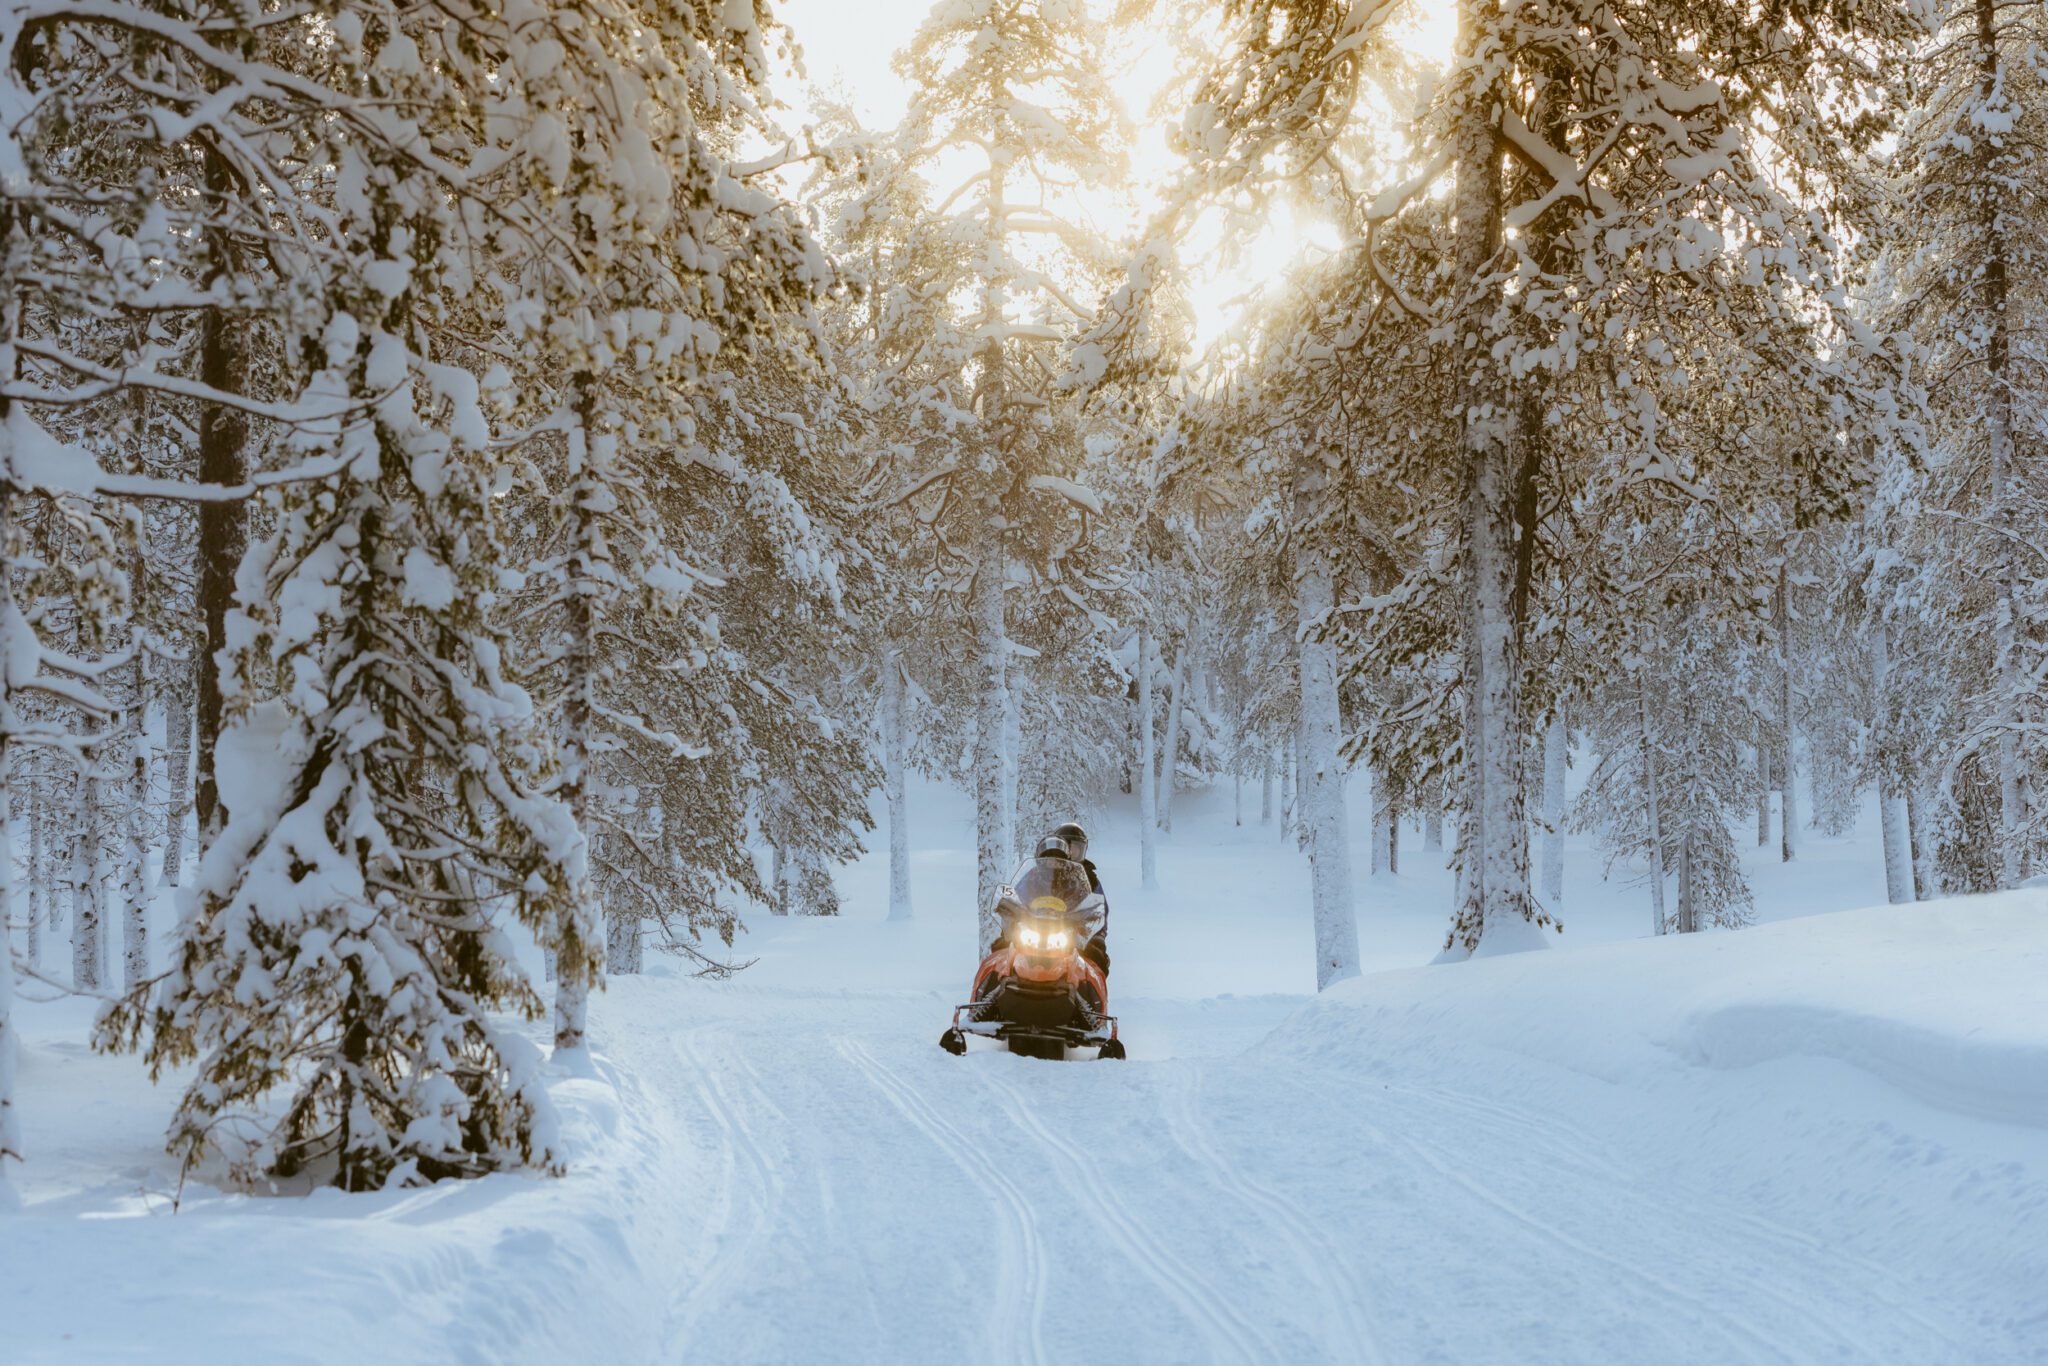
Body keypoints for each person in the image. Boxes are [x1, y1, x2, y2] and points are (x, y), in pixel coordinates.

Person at [1050, 821, 1110, 976]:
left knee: (1097, 958)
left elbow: (1100, 909)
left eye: (1075, 848)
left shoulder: (1089, 877)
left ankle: (1094, 998)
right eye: (1066, 847)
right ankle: (988, 994)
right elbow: (1020, 895)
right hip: (1037, 929)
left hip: (1075, 935)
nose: (1070, 852)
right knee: (1002, 950)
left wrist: (1095, 935)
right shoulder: (1042, 872)